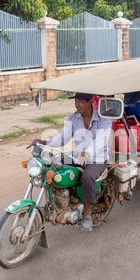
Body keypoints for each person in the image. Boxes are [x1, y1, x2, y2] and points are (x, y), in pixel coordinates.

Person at [32, 92, 112, 232]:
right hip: (77, 156)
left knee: (87, 177)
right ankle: (59, 203)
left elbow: (100, 140)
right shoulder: (74, 118)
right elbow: (63, 137)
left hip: (98, 157)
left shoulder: (103, 119)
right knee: (52, 165)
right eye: (75, 101)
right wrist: (45, 142)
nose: (76, 104)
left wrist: (88, 153)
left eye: (80, 101)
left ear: (90, 101)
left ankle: (87, 215)